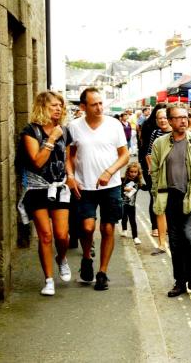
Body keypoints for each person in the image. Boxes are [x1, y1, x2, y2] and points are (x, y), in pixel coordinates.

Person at [66, 87, 130, 291]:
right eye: (94, 104)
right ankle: (86, 258)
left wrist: (109, 172)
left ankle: (102, 272)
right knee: (86, 227)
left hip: (110, 185)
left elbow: (125, 155)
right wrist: (70, 177)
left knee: (108, 228)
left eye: (101, 103)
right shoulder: (74, 126)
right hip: (84, 186)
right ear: (83, 106)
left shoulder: (114, 125)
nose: (99, 107)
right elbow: (69, 155)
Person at [150, 104, 191, 298]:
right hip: (170, 197)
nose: (184, 121)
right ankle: (180, 281)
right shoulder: (160, 143)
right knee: (175, 242)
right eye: (178, 118)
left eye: (185, 117)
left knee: (188, 237)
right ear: (169, 121)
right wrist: (156, 195)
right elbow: (155, 171)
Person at [18, 91, 71, 296]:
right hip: (37, 188)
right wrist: (51, 138)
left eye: (60, 105)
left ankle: (61, 258)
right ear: (42, 107)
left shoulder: (64, 131)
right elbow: (37, 162)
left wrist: (71, 175)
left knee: (62, 235)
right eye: (53, 106)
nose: (58, 108)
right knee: (46, 236)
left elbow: (66, 157)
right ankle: (49, 279)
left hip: (59, 187)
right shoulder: (30, 131)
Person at [138, 103, 166, 237]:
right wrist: (150, 168)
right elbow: (146, 149)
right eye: (160, 117)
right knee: (155, 196)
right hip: (149, 165)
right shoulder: (150, 128)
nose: (163, 120)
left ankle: (162, 226)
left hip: (159, 167)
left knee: (163, 197)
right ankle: (155, 226)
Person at [146, 108, 171, 255]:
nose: (162, 120)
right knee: (160, 209)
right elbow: (149, 153)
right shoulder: (155, 133)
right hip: (159, 176)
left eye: (164, 118)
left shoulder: (177, 133)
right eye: (159, 118)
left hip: (174, 177)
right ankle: (162, 243)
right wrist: (152, 170)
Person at [121, 162, 143, 245]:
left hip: (131, 205)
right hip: (123, 203)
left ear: (138, 173)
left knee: (133, 220)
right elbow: (119, 188)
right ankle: (124, 229)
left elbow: (146, 187)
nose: (133, 174)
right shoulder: (123, 180)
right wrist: (124, 188)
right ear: (128, 172)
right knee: (124, 217)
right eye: (131, 172)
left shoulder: (138, 182)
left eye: (135, 172)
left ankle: (135, 237)